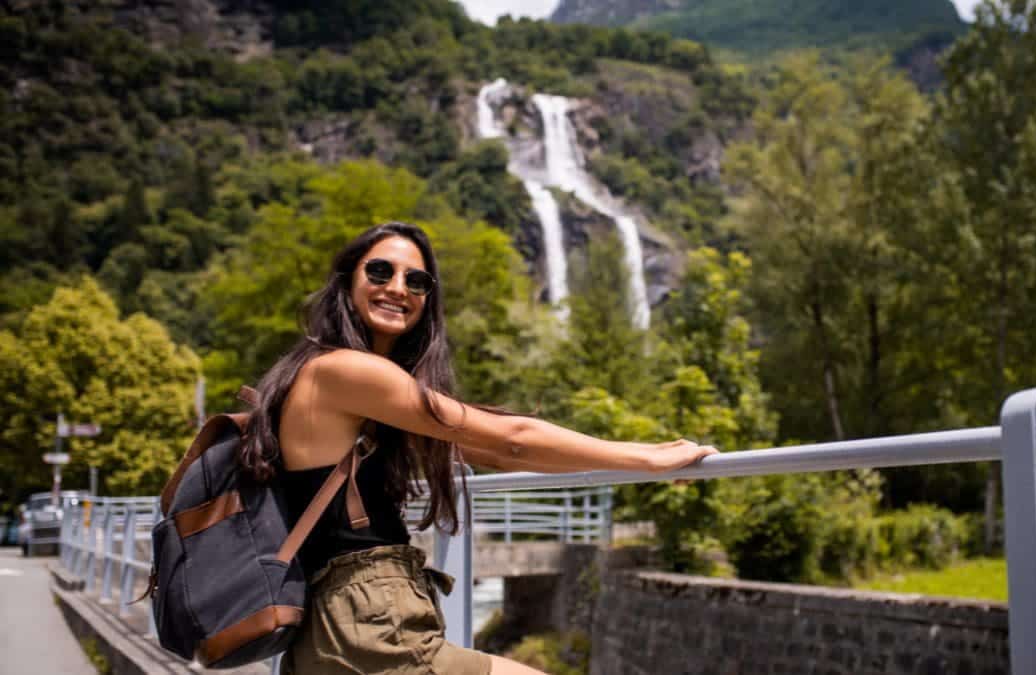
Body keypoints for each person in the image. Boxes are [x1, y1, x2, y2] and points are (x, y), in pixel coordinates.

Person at [238, 221, 718, 675]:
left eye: (417, 280)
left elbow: (490, 452)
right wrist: (649, 457)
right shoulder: (345, 371)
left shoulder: (343, 381)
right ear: (347, 282)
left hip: (332, 629)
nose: (398, 287)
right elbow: (512, 441)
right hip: (365, 622)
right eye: (380, 271)